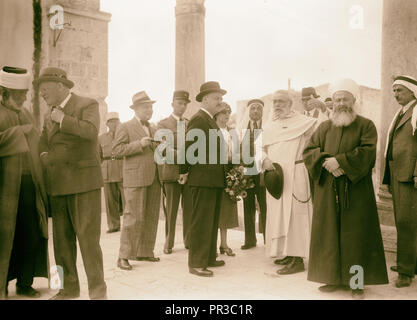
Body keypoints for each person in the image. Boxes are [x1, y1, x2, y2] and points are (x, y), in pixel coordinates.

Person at [303, 78, 388, 299]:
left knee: (356, 236)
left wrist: (340, 162)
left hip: (356, 190)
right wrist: (326, 162)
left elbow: (368, 152)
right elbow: (310, 150)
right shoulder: (323, 127)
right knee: (328, 234)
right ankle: (332, 278)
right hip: (328, 189)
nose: (340, 103)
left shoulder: (366, 125)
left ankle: (356, 282)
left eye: (345, 99)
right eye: (337, 99)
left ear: (354, 100)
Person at [37, 67, 107, 300]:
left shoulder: (87, 104)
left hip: (84, 185)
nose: (42, 95)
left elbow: (90, 132)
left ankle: (98, 292)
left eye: (45, 90)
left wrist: (63, 119)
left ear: (60, 86)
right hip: (58, 185)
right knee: (61, 244)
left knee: (89, 242)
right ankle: (66, 289)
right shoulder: (48, 114)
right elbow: (45, 142)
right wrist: (44, 155)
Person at [0, 66, 48, 299]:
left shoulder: (26, 113)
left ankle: (25, 282)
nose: (24, 99)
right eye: (19, 95)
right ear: (4, 92)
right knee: (4, 234)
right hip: (3, 188)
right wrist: (20, 132)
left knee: (30, 232)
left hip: (28, 186)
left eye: (25, 94)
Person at [262, 90, 317, 275]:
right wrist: (264, 160)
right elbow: (257, 148)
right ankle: (286, 252)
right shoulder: (269, 125)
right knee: (278, 215)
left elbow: (322, 131)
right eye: (275, 101)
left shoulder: (304, 122)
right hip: (276, 176)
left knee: (295, 215)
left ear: (290, 104)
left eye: (282, 102)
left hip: (296, 174)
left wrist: (322, 108)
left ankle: (298, 258)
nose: (277, 105)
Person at [179, 81, 227, 277]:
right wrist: (183, 171)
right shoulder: (199, 119)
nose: (220, 102)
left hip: (213, 179)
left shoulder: (209, 119)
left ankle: (208, 257)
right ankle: (197, 263)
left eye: (221, 98)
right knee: (201, 221)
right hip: (202, 179)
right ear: (205, 100)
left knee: (211, 220)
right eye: (217, 98)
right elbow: (188, 148)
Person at [113, 91, 161, 271]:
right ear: (136, 109)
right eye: (145, 107)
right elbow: (116, 150)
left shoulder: (154, 128)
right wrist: (139, 144)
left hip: (154, 177)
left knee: (151, 215)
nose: (149, 110)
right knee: (132, 217)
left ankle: (145, 251)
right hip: (135, 178)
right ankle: (123, 256)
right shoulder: (125, 126)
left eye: (151, 107)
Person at [382, 75, 417, 288]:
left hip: (409, 175)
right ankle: (410, 263)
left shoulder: (416, 111)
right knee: (405, 221)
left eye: (400, 90)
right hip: (398, 174)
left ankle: (405, 271)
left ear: (412, 91)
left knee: (406, 223)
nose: (395, 94)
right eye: (394, 90)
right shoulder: (402, 112)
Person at [157, 90, 193, 254]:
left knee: (189, 208)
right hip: (171, 173)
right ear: (172, 104)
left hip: (189, 173)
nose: (183, 106)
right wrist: (179, 154)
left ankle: (189, 240)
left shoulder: (189, 123)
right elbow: (162, 147)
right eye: (180, 103)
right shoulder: (163, 124)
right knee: (171, 210)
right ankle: (168, 242)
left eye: (185, 104)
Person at [238, 99, 267, 250]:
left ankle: (268, 239)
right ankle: (250, 240)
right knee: (248, 206)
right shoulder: (242, 128)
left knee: (265, 205)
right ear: (248, 111)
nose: (255, 111)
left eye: (258, 109)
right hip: (248, 172)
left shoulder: (267, 127)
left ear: (262, 112)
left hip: (263, 172)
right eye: (253, 108)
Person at [214, 102, 239, 256]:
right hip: (215, 173)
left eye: (228, 113)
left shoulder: (231, 132)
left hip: (228, 173)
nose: (226, 116)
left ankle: (224, 244)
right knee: (213, 210)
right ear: (216, 114)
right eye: (223, 113)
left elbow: (235, 152)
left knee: (225, 211)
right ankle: (212, 245)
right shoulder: (212, 131)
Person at [99, 112, 125, 233]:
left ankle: (128, 225)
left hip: (122, 168)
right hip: (107, 169)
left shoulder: (124, 135)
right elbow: (98, 155)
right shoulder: (101, 138)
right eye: (111, 121)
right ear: (107, 123)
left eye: (116, 121)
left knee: (127, 199)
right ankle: (113, 225)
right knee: (110, 200)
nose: (114, 124)